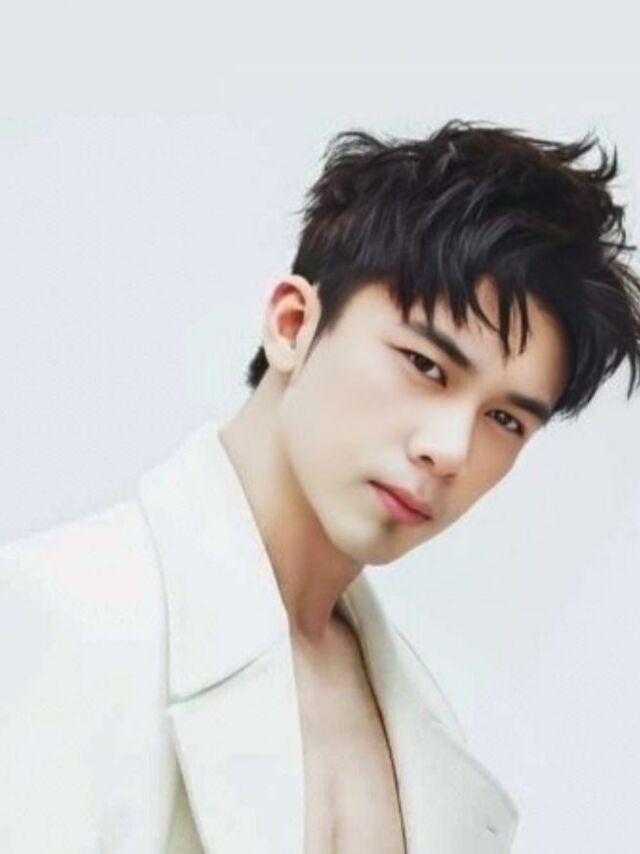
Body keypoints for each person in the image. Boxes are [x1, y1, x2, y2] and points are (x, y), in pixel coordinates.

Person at [1, 119, 639, 854]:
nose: (449, 450)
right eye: (425, 365)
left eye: (504, 419)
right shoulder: (55, 615)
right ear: (292, 324)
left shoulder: (425, 734)